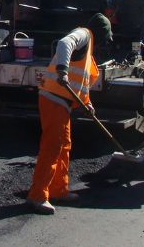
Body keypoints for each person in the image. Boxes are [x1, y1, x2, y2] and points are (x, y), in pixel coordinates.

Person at [27, 13, 113, 215]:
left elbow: (81, 82)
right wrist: (62, 70)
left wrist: (87, 102)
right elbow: (65, 43)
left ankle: (59, 189)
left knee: (64, 146)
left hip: (62, 103)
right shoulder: (84, 34)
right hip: (53, 98)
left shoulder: (88, 52)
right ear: (101, 33)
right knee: (52, 147)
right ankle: (37, 195)